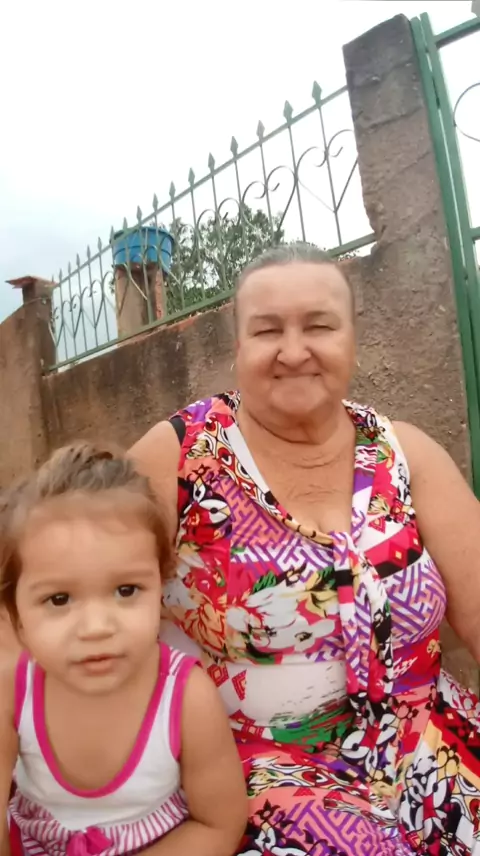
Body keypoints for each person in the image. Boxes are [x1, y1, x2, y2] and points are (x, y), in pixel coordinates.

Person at [130, 241, 480, 856]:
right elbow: (55, 578)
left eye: (319, 326)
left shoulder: (404, 452)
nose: (294, 351)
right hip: (255, 770)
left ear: (352, 340)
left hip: (433, 742)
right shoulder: (180, 458)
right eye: (268, 330)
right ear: (237, 348)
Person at [0, 442, 247, 856]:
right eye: (59, 599)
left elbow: (219, 823)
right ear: (16, 614)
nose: (97, 628)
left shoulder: (186, 698)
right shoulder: (12, 691)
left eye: (126, 590)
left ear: (160, 587)